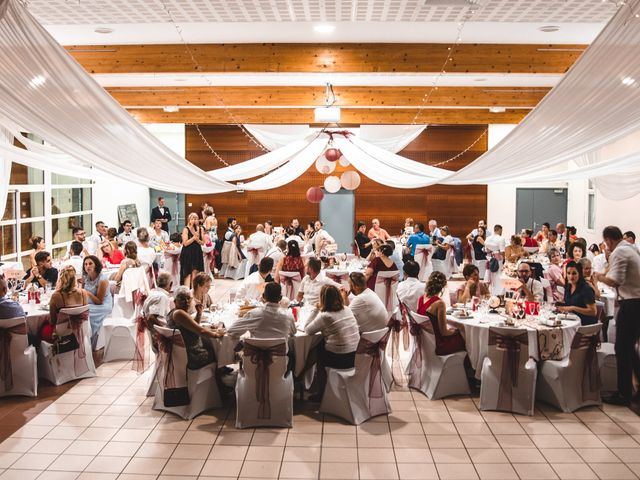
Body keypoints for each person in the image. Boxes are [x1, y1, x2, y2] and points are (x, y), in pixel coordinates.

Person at [593, 226, 640, 405]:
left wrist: (598, 277)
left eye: (606, 243)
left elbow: (615, 280)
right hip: (636, 301)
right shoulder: (630, 248)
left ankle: (624, 393)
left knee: (622, 347)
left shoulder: (619, 252)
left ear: (609, 240)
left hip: (632, 303)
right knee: (628, 347)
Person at [305, 285, 360, 401]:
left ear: (323, 299)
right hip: (355, 355)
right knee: (320, 346)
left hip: (340, 358)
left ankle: (319, 391)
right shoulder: (347, 309)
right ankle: (304, 376)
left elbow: (307, 330)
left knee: (317, 350)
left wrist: (316, 309)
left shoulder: (326, 316)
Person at [166, 287, 221, 370]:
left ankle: (219, 373)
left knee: (211, 345)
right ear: (175, 301)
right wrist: (217, 335)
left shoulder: (175, 311)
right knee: (218, 352)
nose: (186, 301)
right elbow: (201, 331)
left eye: (188, 298)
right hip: (192, 356)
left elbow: (193, 326)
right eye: (182, 299)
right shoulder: (179, 313)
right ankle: (218, 378)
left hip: (183, 353)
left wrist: (199, 313)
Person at [417, 272, 465, 355]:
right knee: (465, 338)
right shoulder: (439, 303)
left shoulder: (421, 299)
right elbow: (444, 332)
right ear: (443, 287)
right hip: (438, 344)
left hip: (425, 341)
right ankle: (468, 366)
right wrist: (457, 331)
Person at [227, 282, 296, 340]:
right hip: (280, 355)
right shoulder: (288, 315)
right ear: (280, 298)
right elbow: (293, 332)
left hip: (254, 355)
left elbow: (231, 331)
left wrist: (241, 347)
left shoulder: (254, 314)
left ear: (263, 296)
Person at [42, 266, 87, 343]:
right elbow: (84, 313)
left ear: (60, 279)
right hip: (80, 329)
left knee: (40, 329)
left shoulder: (56, 295)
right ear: (75, 279)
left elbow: (53, 321)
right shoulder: (83, 293)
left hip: (61, 333)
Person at [81, 255, 113, 345]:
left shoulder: (102, 280)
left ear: (96, 265)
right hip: (90, 303)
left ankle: (89, 339)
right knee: (80, 310)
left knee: (84, 313)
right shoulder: (86, 278)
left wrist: (88, 293)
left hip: (103, 306)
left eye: (90, 263)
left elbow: (99, 301)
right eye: (85, 264)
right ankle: (83, 339)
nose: (87, 266)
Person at [557, 261, 597, 326]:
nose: (571, 276)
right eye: (568, 273)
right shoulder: (568, 286)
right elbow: (570, 303)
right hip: (571, 319)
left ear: (579, 274)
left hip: (585, 323)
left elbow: (593, 312)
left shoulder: (586, 289)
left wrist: (573, 308)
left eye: (574, 273)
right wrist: (560, 304)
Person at [181, 213, 205, 288]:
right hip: (188, 252)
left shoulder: (200, 229)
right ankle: (186, 290)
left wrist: (198, 240)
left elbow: (203, 242)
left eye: (196, 219)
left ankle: (194, 290)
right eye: (192, 219)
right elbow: (185, 243)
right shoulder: (186, 229)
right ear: (189, 220)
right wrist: (193, 238)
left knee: (195, 271)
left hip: (197, 252)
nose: (194, 220)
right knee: (187, 272)